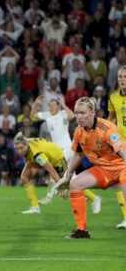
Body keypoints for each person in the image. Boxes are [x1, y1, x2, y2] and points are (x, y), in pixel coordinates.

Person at [55, 97, 126, 239]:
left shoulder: (107, 128)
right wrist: (67, 176)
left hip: (121, 168)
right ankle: (81, 230)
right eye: (76, 113)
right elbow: (78, 154)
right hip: (102, 170)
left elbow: (121, 151)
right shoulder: (79, 131)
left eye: (82, 113)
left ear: (92, 112)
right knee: (75, 184)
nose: (78, 116)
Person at [31, 96, 102, 212]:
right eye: (50, 105)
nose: (51, 107)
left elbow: (72, 116)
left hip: (67, 149)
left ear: (58, 106)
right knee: (68, 178)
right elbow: (33, 117)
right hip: (57, 150)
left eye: (53, 105)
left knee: (57, 176)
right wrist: (35, 104)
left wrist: (63, 104)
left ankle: (50, 197)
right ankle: (90, 197)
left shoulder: (63, 113)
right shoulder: (47, 115)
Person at [13, 133, 66, 214]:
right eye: (17, 149)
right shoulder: (27, 142)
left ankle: (92, 198)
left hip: (58, 159)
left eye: (21, 148)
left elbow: (52, 171)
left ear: (26, 145)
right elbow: (23, 137)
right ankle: (35, 207)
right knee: (24, 177)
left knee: (68, 185)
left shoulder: (37, 156)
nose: (19, 151)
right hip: (47, 154)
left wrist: (60, 186)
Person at [106, 65, 126, 228]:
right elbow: (111, 119)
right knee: (119, 178)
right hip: (120, 143)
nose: (122, 80)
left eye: (125, 77)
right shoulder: (113, 97)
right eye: (120, 77)